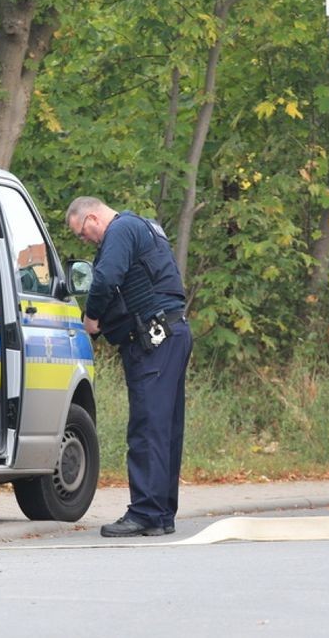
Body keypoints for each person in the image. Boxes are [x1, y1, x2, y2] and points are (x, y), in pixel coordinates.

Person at [66, 196, 192, 537]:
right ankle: (162, 513)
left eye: (81, 234)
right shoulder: (143, 226)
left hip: (154, 339)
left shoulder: (120, 230)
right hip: (171, 332)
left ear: (92, 218)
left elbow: (106, 279)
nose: (86, 241)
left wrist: (91, 318)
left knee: (148, 426)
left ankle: (145, 512)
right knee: (165, 427)